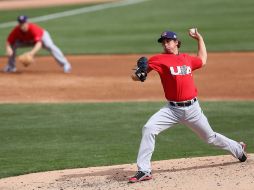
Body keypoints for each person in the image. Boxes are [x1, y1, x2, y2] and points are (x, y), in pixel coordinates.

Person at [129, 29, 247, 183]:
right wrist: (139, 75)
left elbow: (202, 60)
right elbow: (136, 76)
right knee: (149, 128)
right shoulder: (158, 59)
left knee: (210, 138)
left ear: (177, 42)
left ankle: (238, 149)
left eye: (169, 40)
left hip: (193, 109)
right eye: (163, 42)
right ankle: (144, 170)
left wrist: (199, 39)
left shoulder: (187, 59)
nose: (166, 43)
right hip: (172, 110)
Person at [4, 15, 71, 73]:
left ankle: (66, 65)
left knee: (50, 46)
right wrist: (8, 48)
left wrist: (31, 53)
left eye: (24, 23)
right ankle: (11, 67)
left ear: (27, 22)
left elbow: (39, 44)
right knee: (12, 46)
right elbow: (9, 41)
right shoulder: (16, 30)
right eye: (21, 23)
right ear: (19, 24)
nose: (22, 25)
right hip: (27, 41)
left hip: (42, 38)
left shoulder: (33, 28)